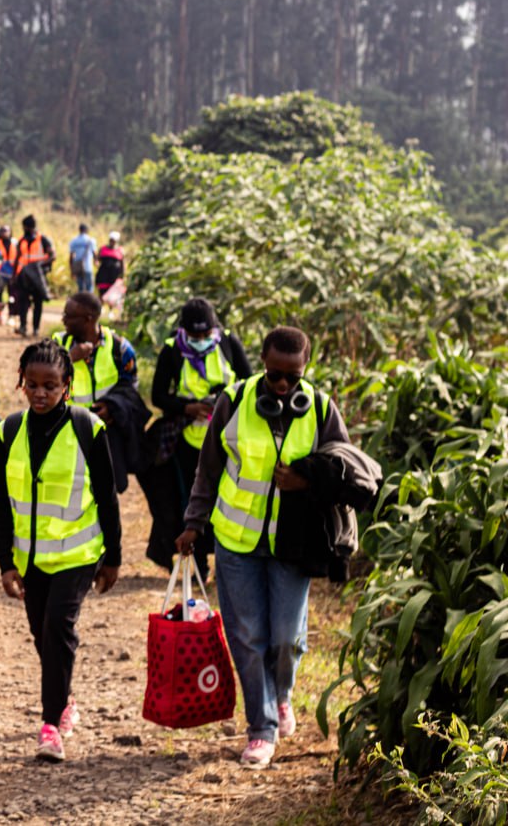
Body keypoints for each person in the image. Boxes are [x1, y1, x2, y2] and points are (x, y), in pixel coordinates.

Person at [175, 326, 350, 770]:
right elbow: (208, 469)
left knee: (286, 640)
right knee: (249, 638)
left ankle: (282, 694)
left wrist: (307, 479)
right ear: (263, 364)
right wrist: (194, 523)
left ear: (306, 370)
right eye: (275, 376)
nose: (283, 386)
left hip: (294, 543)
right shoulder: (232, 402)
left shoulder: (323, 409)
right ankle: (261, 728)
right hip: (236, 540)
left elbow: (348, 472)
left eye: (293, 378)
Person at [0, 340, 121, 763]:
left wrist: (114, 556)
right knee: (41, 635)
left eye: (51, 385)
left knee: (58, 629)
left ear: (68, 385)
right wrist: (5, 562)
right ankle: (63, 699)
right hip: (30, 560)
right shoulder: (8, 431)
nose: (41, 393)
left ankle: (50, 726)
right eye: (32, 385)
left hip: (79, 555)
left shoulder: (88, 429)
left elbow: (107, 496)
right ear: (21, 384)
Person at [147, 298, 252, 576]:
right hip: (187, 440)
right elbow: (158, 396)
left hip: (228, 440)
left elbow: (251, 384)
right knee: (191, 501)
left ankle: (227, 561)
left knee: (226, 499)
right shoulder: (171, 351)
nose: (202, 341)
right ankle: (199, 563)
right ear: (184, 331)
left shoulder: (229, 344)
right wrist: (187, 407)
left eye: (206, 335)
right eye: (195, 336)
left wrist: (222, 404)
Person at [50, 292, 147, 492]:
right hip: (67, 434)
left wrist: (112, 408)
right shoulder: (58, 344)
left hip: (105, 436)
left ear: (88, 319)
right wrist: (69, 358)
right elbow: (41, 383)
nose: (63, 320)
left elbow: (131, 390)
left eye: (69, 316)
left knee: (106, 491)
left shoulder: (120, 348)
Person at [12, 215, 55, 337]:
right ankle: (23, 327)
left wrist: (38, 265)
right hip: (24, 278)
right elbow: (17, 258)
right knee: (23, 303)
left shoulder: (43, 239)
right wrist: (14, 275)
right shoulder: (22, 241)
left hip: (38, 277)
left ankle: (36, 328)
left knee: (38, 303)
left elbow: (52, 256)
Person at [68, 223, 98, 294]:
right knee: (89, 287)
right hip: (88, 266)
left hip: (78, 266)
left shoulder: (74, 241)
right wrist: (96, 261)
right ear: (87, 230)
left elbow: (71, 256)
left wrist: (72, 269)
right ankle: (89, 303)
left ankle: (82, 303)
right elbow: (94, 253)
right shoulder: (91, 240)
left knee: (80, 287)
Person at [95, 232, 125, 298]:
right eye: (111, 240)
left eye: (113, 241)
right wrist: (96, 262)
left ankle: (111, 307)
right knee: (102, 292)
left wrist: (122, 275)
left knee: (113, 294)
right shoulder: (103, 249)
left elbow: (122, 264)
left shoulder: (120, 250)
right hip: (104, 274)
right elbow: (97, 259)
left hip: (114, 275)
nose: (112, 242)